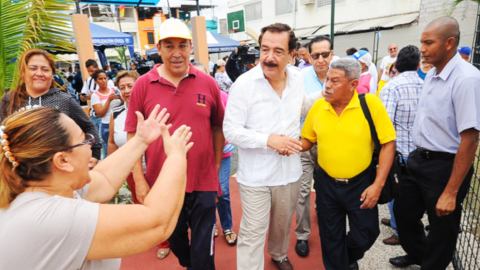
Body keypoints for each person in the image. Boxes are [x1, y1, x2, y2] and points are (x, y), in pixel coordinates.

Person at [0, 105, 193, 270]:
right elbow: (158, 222)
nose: (90, 147)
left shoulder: (44, 188)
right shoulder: (51, 219)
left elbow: (104, 179)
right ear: (63, 160)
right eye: (85, 140)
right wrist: (176, 155)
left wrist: (140, 140)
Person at [125, 18, 225, 270]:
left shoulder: (208, 82)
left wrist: (213, 168)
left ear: (191, 47)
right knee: (174, 238)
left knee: (204, 252)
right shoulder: (143, 84)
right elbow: (133, 134)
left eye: (182, 45)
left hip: (203, 181)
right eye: (169, 46)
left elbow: (217, 127)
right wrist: (139, 179)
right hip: (161, 182)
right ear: (158, 49)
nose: (177, 53)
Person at [224, 23, 322, 270]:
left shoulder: (298, 79)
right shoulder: (244, 85)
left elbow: (299, 108)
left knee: (282, 224)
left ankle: (278, 255)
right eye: (264, 49)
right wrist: (268, 140)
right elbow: (231, 131)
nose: (268, 57)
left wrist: (325, 94)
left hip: (289, 172)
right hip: (256, 176)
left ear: (292, 55)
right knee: (253, 231)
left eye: (278, 51)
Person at [389, 17, 480, 269]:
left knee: (442, 228)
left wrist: (451, 192)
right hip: (417, 160)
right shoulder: (431, 75)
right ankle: (419, 256)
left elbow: (471, 139)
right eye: (421, 42)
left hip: (446, 166)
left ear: (450, 43)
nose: (422, 49)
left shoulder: (466, 79)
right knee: (404, 215)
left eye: (428, 42)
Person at [300, 58, 396, 270]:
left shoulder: (370, 104)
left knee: (367, 234)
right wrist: (291, 145)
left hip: (360, 185)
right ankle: (340, 264)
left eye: (335, 81)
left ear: (353, 84)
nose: (327, 85)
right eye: (327, 80)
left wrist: (377, 185)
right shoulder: (318, 107)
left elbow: (388, 144)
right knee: (330, 237)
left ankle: (344, 258)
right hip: (326, 184)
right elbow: (307, 140)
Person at [107, 70, 171, 260]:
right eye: (122, 87)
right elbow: (111, 141)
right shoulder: (116, 111)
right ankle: (149, 235)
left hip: (154, 164)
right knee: (139, 203)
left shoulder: (152, 108)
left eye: (130, 85)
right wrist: (113, 169)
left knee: (159, 204)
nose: (127, 90)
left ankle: (164, 240)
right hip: (129, 167)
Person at [0, 49, 102, 169]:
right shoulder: (9, 99)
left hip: (57, 171)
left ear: (52, 75)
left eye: (45, 69)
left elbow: (88, 126)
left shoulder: (64, 99)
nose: (39, 73)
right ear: (23, 73)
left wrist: (95, 154)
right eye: (33, 68)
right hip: (17, 171)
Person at [379, 45, 423, 246]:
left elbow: (385, 125)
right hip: (421, 152)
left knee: (395, 192)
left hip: (399, 153)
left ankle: (399, 231)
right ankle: (399, 223)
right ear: (418, 64)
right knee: (411, 196)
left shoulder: (391, 87)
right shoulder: (426, 86)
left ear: (395, 65)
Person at [295, 35, 333, 258]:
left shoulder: (341, 74)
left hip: (330, 143)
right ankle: (302, 235)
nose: (320, 59)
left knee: (327, 191)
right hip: (304, 143)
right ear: (308, 56)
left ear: (332, 54)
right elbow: (299, 108)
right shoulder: (300, 77)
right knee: (301, 193)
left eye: (325, 54)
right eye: (315, 55)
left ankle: (330, 232)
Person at [90, 70, 121, 159]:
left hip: (119, 122)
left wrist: (120, 98)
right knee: (110, 155)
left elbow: (123, 103)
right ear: (95, 81)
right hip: (107, 125)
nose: (104, 81)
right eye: (100, 79)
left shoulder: (115, 89)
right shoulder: (95, 95)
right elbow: (100, 113)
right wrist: (108, 100)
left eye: (105, 78)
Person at [80, 59, 116, 134]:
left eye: (92, 71)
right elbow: (82, 97)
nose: (90, 73)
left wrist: (94, 96)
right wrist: (85, 97)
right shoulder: (88, 81)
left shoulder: (109, 82)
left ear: (97, 68)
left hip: (106, 116)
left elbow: (112, 96)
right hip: (94, 115)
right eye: (89, 71)